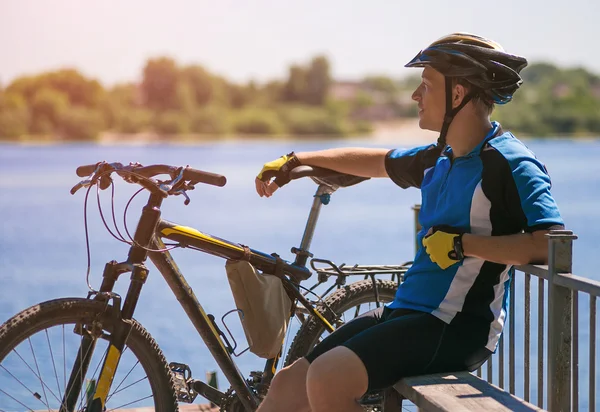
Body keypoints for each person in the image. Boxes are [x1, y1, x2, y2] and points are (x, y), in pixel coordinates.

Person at [254, 33, 564, 412]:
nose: (416, 96)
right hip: (409, 310)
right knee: (289, 385)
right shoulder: (440, 157)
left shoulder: (511, 163)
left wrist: (462, 245)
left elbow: (550, 243)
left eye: (426, 85)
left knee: (329, 377)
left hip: (456, 326)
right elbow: (376, 160)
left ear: (457, 94)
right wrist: (295, 158)